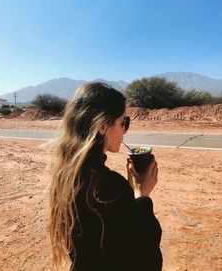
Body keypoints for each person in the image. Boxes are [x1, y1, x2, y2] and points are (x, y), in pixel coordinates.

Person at [49, 82, 163, 271]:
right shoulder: (109, 188)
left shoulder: (66, 175)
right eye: (123, 122)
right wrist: (142, 196)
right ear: (102, 127)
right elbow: (145, 259)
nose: (125, 131)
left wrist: (128, 192)